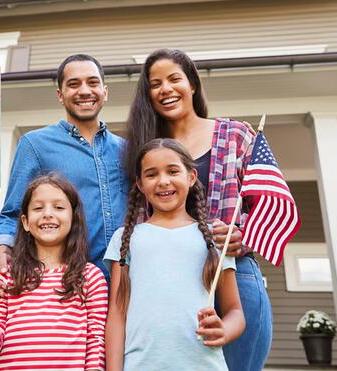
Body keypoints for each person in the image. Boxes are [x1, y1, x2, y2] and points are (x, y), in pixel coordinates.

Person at [123, 48, 274, 371]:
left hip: (233, 275)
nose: (166, 89)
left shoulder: (236, 135)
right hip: (170, 283)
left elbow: (265, 205)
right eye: (155, 83)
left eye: (175, 78)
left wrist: (241, 234)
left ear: (192, 84)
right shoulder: (147, 150)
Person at [0, 54, 127, 298]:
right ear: (60, 95)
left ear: (105, 91)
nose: (84, 91)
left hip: (124, 286)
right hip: (66, 289)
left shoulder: (127, 150)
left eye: (92, 83)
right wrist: (3, 249)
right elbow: (13, 213)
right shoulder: (35, 145)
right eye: (73, 84)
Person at [104, 138, 245, 370]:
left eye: (172, 171)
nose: (163, 181)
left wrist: (224, 330)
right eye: (151, 174)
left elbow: (235, 312)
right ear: (140, 184)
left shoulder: (215, 237)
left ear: (191, 177)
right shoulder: (124, 239)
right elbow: (117, 314)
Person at [0, 174, 108, 371]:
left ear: (73, 219)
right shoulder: (6, 276)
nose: (47, 213)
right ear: (26, 222)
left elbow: (96, 343)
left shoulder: (91, 277)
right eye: (38, 208)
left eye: (59, 207)